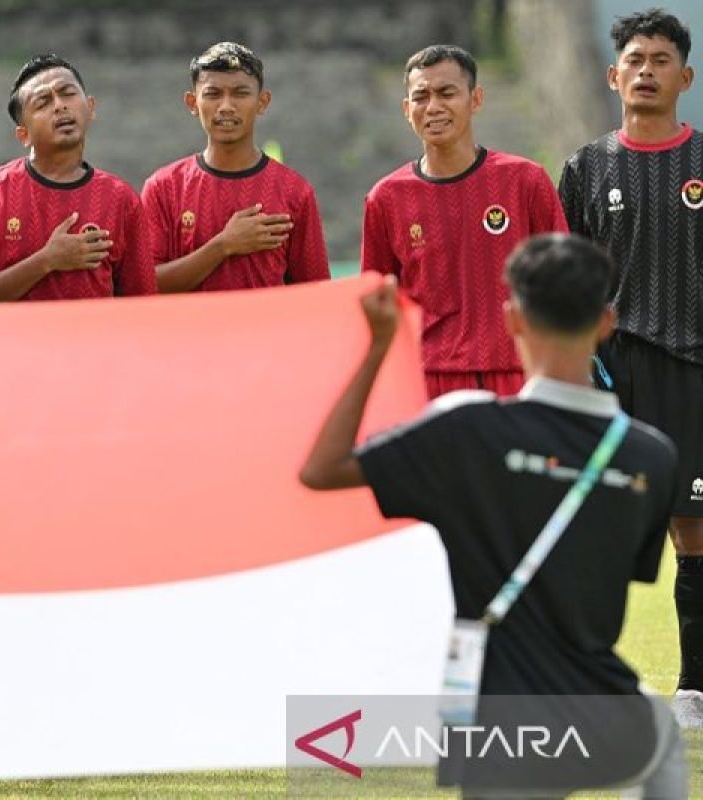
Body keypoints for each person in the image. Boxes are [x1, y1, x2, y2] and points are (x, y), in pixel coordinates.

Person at [301, 234, 685, 797]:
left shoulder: (468, 431)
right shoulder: (652, 455)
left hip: (501, 728)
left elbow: (323, 468)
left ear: (512, 318)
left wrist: (378, 345)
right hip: (611, 722)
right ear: (607, 322)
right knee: (662, 738)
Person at [559, 8, 703, 729]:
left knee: (694, 531)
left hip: (692, 368)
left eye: (660, 59)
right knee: (593, 529)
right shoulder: (586, 168)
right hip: (609, 373)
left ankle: (695, 689)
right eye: (634, 59)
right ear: (614, 75)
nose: (645, 70)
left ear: (686, 76)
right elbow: (570, 282)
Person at [362, 44, 568, 399]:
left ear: (476, 99)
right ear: (406, 109)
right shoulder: (386, 198)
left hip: (519, 374)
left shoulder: (525, 180)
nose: (433, 107)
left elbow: (563, 281)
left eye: (446, 93)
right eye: (421, 97)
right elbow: (378, 303)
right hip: (429, 379)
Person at [0, 53, 156, 301]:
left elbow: (142, 303)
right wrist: (46, 261)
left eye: (67, 93)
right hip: (6, 340)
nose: (59, 105)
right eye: (43, 102)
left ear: (90, 108)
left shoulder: (121, 199)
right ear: (23, 134)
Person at [140, 42, 329, 293]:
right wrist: (223, 245)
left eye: (240, 93)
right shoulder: (164, 187)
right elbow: (144, 286)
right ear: (192, 103)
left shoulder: (295, 192)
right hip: (189, 333)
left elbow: (315, 293)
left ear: (262, 102)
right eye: (213, 94)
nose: (226, 106)